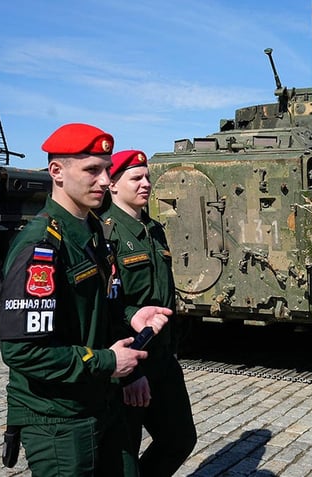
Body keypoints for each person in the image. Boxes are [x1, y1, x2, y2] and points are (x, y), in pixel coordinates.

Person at [0, 124, 172, 477]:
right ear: (57, 172)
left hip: (98, 403)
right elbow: (22, 351)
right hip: (58, 418)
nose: (106, 180)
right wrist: (108, 362)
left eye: (107, 169)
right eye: (92, 169)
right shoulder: (42, 246)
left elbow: (96, 306)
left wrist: (132, 313)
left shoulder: (91, 231)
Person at [101, 149, 197, 476]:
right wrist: (128, 374)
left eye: (147, 177)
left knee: (180, 439)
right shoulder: (107, 233)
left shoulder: (154, 230)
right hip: (130, 365)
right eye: (136, 178)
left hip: (163, 360)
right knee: (123, 461)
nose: (146, 184)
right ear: (112, 185)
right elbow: (107, 308)